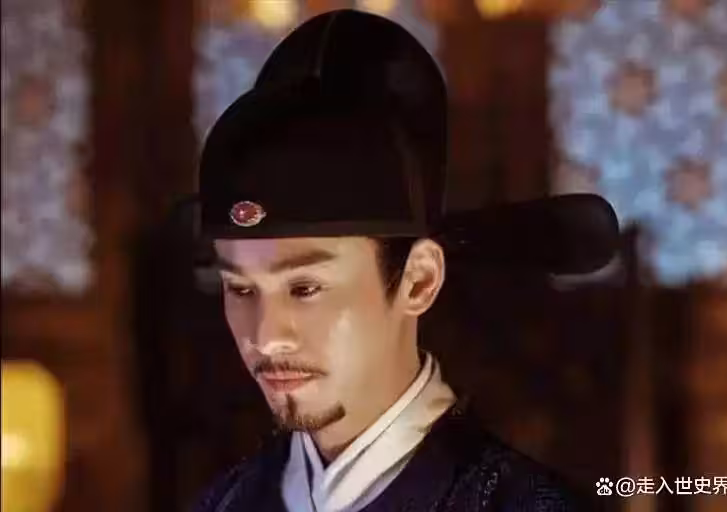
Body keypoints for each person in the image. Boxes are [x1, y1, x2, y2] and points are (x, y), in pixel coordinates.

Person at [191, 9, 615, 512]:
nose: (265, 337)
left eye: (304, 288)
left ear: (418, 280)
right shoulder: (222, 503)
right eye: (241, 289)